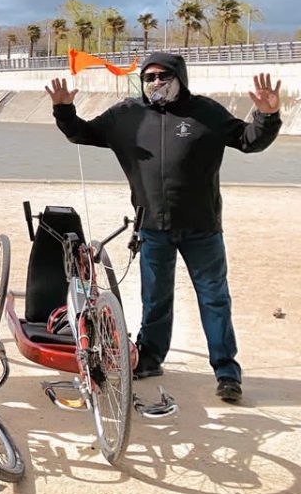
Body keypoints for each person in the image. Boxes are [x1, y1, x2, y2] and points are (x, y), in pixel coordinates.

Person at [46, 52, 283, 403]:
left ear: (180, 78)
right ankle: (151, 358)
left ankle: (227, 371)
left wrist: (267, 115)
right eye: (149, 77)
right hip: (152, 227)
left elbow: (250, 140)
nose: (155, 82)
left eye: (163, 76)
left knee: (214, 299)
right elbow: (82, 133)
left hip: (202, 228)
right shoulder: (125, 115)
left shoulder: (206, 112)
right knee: (155, 298)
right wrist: (64, 110)